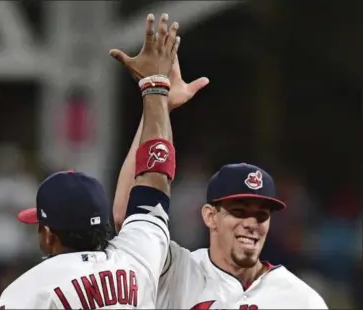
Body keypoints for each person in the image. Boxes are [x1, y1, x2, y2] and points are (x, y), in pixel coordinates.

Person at [112, 25, 328, 310]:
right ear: (210, 216)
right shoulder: (178, 271)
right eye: (238, 212)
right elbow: (129, 216)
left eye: (261, 215)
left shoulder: (301, 300)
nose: (251, 223)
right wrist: (158, 107)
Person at [0, 12, 181, 309]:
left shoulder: (29, 290)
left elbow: (156, 174)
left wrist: (156, 91)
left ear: (48, 235)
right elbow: (156, 175)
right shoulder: (137, 257)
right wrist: (156, 89)